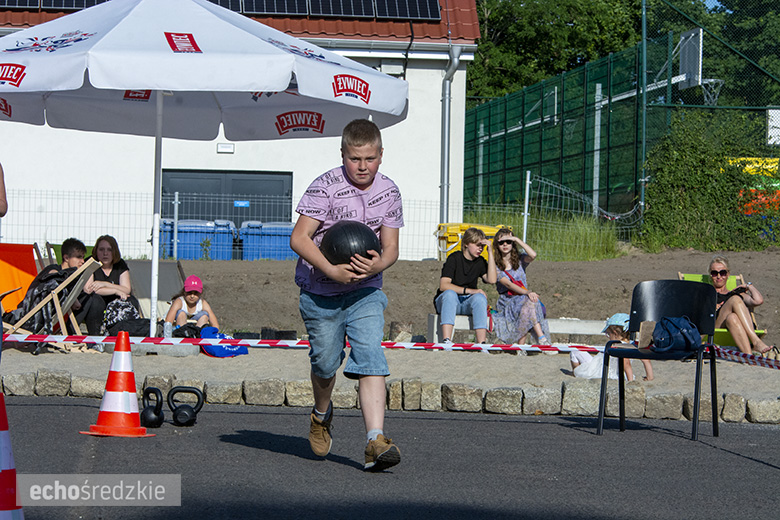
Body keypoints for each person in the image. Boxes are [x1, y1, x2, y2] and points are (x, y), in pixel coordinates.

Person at [290, 119, 404, 472]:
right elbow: (299, 238)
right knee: (325, 364)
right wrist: (331, 270)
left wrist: (377, 267)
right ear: (343, 154)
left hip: (365, 292)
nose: (362, 166)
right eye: (355, 159)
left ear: (381, 155)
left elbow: (391, 248)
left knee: (371, 354)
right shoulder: (325, 187)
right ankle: (321, 414)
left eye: (369, 159)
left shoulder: (389, 191)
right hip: (322, 291)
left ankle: (375, 440)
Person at [434, 228, 497, 344]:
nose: (480, 249)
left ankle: (481, 343)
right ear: (467, 243)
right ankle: (447, 340)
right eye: (478, 245)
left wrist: (490, 252)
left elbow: (492, 280)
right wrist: (470, 291)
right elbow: (443, 285)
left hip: (466, 302)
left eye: (482, 246)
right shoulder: (454, 258)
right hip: (447, 301)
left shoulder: (480, 261)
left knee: (480, 298)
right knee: (450, 294)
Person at [490, 227, 550, 345]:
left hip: (523, 298)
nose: (505, 244)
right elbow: (508, 284)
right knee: (528, 302)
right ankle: (540, 339)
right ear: (497, 245)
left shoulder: (520, 259)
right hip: (508, 301)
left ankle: (527, 343)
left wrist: (517, 239)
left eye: (509, 241)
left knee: (527, 305)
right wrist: (527, 292)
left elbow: (533, 255)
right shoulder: (496, 266)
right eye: (501, 242)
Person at [709, 255, 772, 355]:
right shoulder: (707, 293)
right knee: (734, 299)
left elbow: (758, 301)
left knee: (732, 317)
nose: (719, 276)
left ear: (728, 274)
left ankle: (748, 356)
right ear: (710, 275)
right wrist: (710, 308)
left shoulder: (736, 293)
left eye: (723, 273)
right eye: (714, 273)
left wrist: (748, 286)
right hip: (717, 327)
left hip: (733, 325)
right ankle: (756, 341)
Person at [77, 235, 139, 335]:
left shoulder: (120, 264)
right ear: (96, 251)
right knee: (95, 301)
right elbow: (89, 289)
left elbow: (126, 289)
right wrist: (115, 290)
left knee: (131, 300)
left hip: (115, 302)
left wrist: (104, 284)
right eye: (101, 249)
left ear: (114, 251)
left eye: (109, 250)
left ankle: (126, 335)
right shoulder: (91, 263)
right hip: (96, 301)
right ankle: (95, 338)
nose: (105, 253)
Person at [570, 313, 654, 381]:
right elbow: (646, 360)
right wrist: (650, 377)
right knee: (576, 351)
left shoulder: (619, 345)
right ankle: (578, 371)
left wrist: (630, 381)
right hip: (615, 370)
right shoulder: (633, 344)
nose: (608, 336)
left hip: (601, 370)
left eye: (608, 334)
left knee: (574, 352)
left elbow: (626, 363)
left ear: (615, 333)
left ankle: (576, 372)